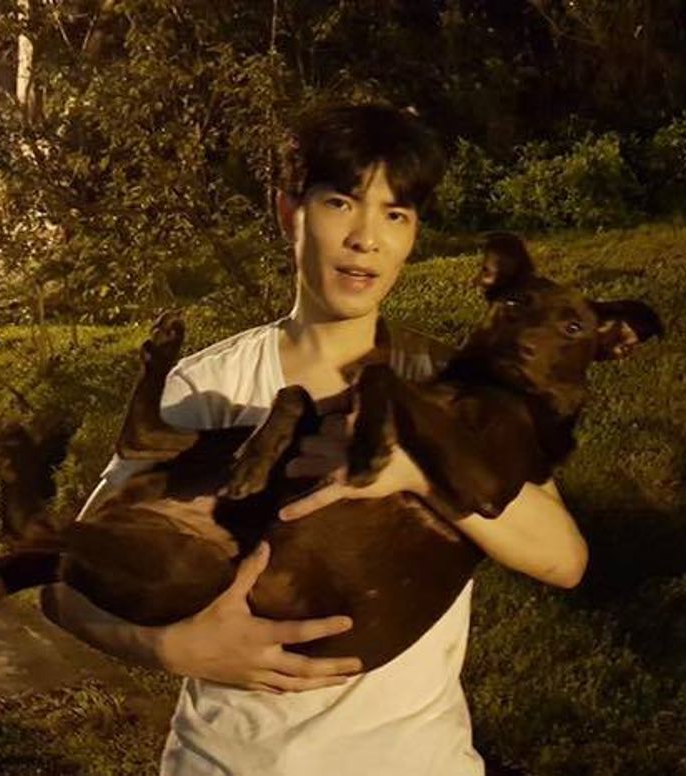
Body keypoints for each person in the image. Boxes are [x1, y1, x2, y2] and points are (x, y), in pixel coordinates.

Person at [40, 103, 588, 775]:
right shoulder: (212, 382)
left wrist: (416, 472)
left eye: (395, 215)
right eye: (340, 204)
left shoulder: (454, 385)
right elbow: (61, 586)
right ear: (289, 213)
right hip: (225, 762)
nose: (366, 240)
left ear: (413, 235)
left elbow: (563, 558)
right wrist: (176, 650)